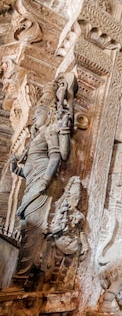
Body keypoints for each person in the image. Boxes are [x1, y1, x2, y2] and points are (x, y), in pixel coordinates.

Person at [10, 72, 78, 284]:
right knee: (24, 230)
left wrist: (45, 181)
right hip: (33, 183)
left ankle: (21, 280)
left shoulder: (50, 131)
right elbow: (30, 168)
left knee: (32, 232)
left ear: (48, 114)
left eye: (37, 112)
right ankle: (28, 274)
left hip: (43, 185)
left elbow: (58, 156)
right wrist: (16, 169)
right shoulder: (36, 137)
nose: (33, 117)